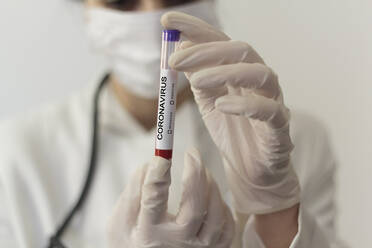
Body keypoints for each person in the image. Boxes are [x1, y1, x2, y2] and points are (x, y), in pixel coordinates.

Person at [0, 0, 347, 247]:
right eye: (121, 1)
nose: (155, 18)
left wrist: (276, 212)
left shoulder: (291, 139)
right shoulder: (19, 152)